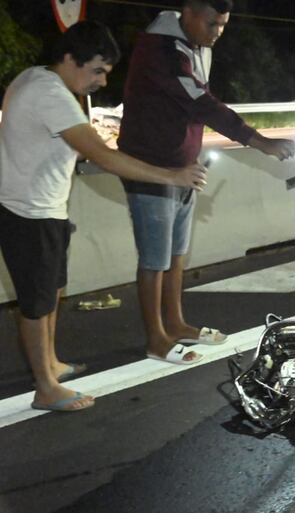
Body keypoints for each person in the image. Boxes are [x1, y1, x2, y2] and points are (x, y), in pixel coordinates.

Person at [0, 21, 208, 412]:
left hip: (43, 208)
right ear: (68, 59)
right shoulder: (51, 95)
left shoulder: (35, 79)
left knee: (51, 291)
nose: (101, 79)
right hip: (28, 213)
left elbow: (74, 147)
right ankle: (45, 387)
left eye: (107, 72)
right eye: (97, 69)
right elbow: (103, 157)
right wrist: (173, 175)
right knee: (36, 302)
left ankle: (51, 364)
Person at [117, 0, 295, 366]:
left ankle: (176, 323)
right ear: (191, 12)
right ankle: (156, 338)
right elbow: (201, 102)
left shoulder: (194, 47)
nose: (218, 33)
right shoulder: (161, 51)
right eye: (213, 24)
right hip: (150, 165)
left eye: (224, 26)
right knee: (154, 259)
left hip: (183, 165)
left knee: (177, 253)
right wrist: (258, 141)